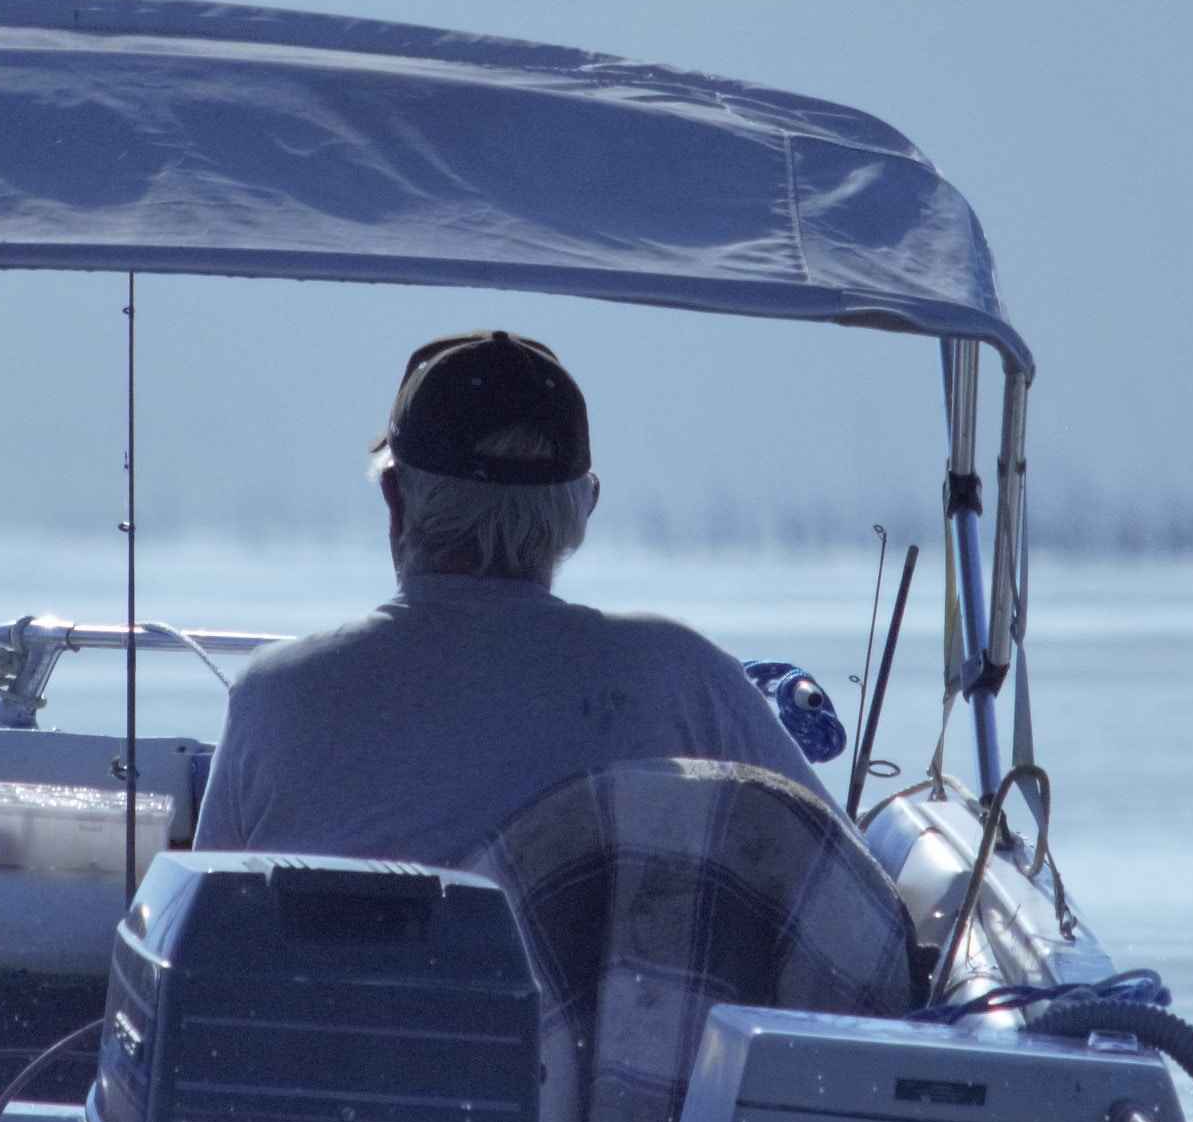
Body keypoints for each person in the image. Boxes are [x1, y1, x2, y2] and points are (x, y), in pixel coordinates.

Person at [195, 331, 799, 867]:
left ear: (395, 500)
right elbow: (840, 877)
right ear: (583, 512)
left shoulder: (274, 695)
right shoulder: (682, 677)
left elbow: (206, 934)